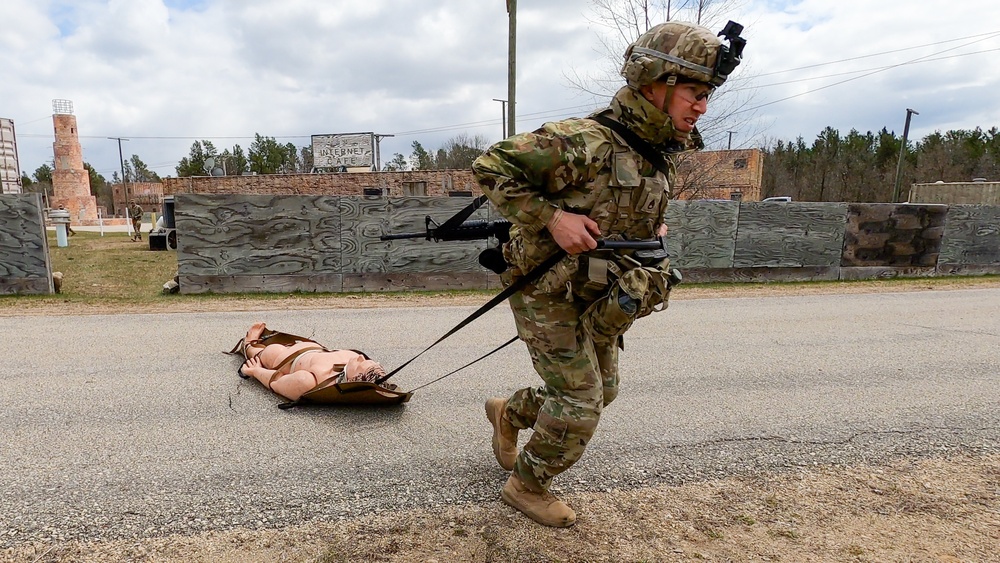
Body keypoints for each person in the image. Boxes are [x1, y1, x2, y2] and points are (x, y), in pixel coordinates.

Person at [472, 20, 745, 527]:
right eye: (694, 92)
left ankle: (508, 413)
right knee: (581, 401)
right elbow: (490, 166)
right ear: (654, 83)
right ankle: (526, 487)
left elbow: (626, 204)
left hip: (599, 290)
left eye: (707, 96)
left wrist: (649, 229)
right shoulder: (582, 140)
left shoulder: (659, 150)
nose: (702, 106)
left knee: (602, 391)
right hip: (546, 288)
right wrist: (554, 218)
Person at [239, 322, 387, 401]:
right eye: (368, 360)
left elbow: (276, 382)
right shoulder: (353, 358)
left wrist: (255, 371)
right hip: (310, 347)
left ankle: (249, 344)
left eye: (361, 364)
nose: (361, 357)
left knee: (270, 353)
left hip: (282, 358)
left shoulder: (310, 382)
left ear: (355, 379)